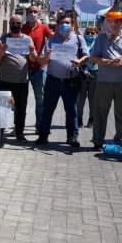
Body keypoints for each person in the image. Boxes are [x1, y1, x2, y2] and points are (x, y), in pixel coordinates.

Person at [35, 16, 89, 147]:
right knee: (48, 109)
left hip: (71, 80)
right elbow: (39, 61)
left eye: (67, 22)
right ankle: (43, 135)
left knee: (71, 110)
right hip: (53, 80)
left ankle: (72, 136)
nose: (64, 25)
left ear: (72, 25)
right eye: (61, 23)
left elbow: (86, 56)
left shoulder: (78, 39)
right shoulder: (51, 40)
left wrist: (80, 61)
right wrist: (46, 57)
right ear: (57, 25)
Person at [90, 11, 122, 152]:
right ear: (107, 22)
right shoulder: (100, 38)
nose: (113, 23)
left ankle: (120, 140)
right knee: (100, 112)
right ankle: (98, 141)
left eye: (117, 21)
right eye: (111, 20)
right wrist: (108, 62)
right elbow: (94, 58)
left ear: (121, 22)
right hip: (104, 81)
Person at [0, 14, 37, 142]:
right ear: (9, 24)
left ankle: (19, 133)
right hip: (4, 80)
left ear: (22, 25)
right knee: (1, 108)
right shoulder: (2, 38)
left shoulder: (27, 39)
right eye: (13, 23)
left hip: (21, 81)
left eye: (18, 23)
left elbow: (33, 59)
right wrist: (1, 50)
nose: (16, 25)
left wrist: (32, 51)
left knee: (21, 109)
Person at [21, 4, 52, 136]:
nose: (32, 14)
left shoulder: (44, 28)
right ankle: (18, 127)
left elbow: (54, 38)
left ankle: (40, 126)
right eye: (30, 11)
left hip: (39, 69)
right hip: (22, 68)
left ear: (38, 14)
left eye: (35, 12)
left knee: (40, 99)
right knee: (21, 99)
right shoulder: (21, 28)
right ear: (26, 13)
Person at [77, 26, 99, 128]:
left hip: (95, 72)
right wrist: (75, 16)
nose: (90, 35)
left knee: (93, 97)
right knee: (81, 98)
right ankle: (79, 118)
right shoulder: (83, 43)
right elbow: (77, 30)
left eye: (92, 33)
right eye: (88, 33)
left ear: (96, 34)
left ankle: (92, 119)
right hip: (83, 72)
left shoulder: (99, 43)